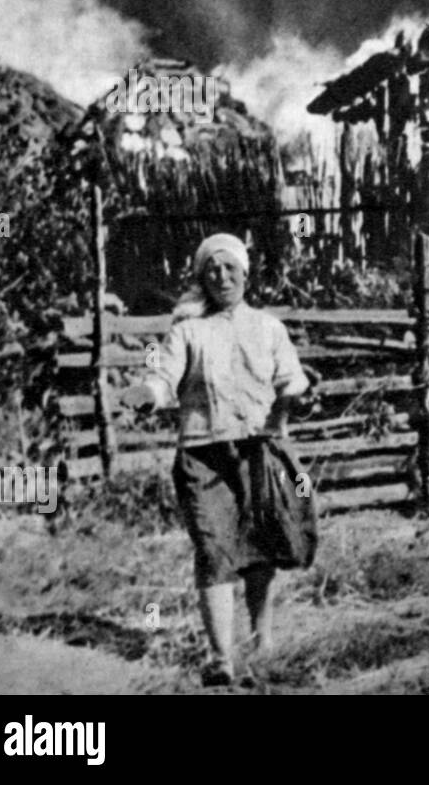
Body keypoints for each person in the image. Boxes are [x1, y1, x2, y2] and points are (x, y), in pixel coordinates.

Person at [119, 233, 312, 687]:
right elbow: (164, 377)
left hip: (259, 450)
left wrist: (296, 397)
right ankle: (221, 657)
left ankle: (262, 639)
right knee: (213, 550)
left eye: (230, 268)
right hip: (203, 457)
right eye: (213, 270)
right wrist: (147, 393)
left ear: (246, 273)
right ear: (202, 278)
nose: (222, 277)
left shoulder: (269, 329)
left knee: (260, 548)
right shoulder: (188, 331)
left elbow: (293, 380)